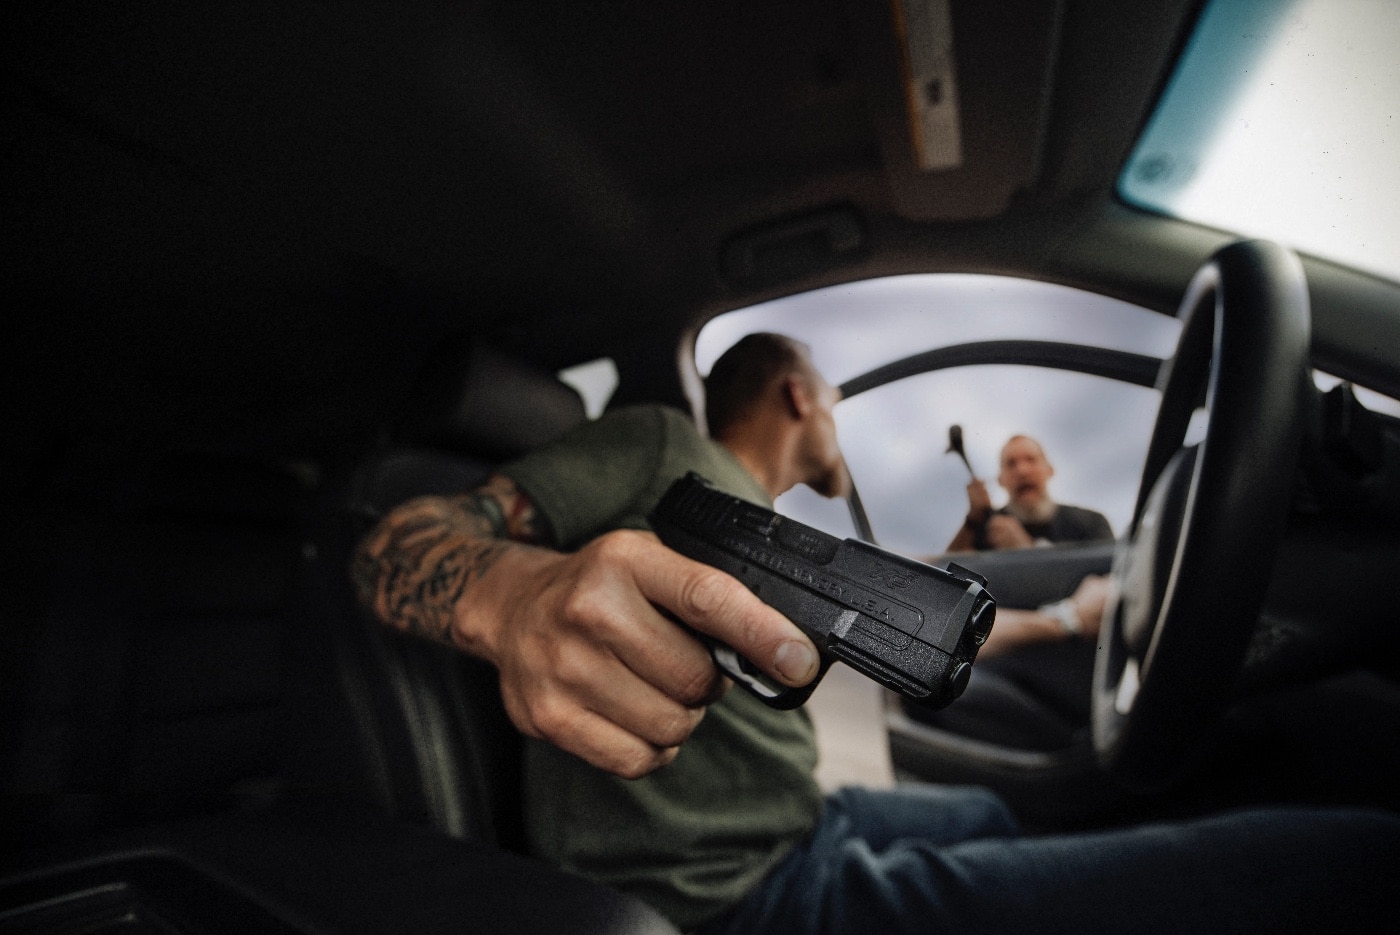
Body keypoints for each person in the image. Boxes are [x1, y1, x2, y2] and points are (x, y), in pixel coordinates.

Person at [353, 332, 1399, 934]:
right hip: (730, 894)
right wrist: (513, 594)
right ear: (798, 394)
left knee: (998, 810)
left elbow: (913, 630)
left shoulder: (774, 529)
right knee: (1344, 857)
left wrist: (1067, 617)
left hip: (805, 818)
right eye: (836, 400)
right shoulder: (659, 444)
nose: (838, 421)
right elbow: (398, 540)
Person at [946, 435, 1112, 553]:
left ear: (1050, 470)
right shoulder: (985, 528)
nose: (1022, 471)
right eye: (1011, 464)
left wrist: (1026, 549)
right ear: (1000, 480)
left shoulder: (1091, 523)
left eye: (1031, 460)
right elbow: (943, 578)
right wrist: (972, 521)